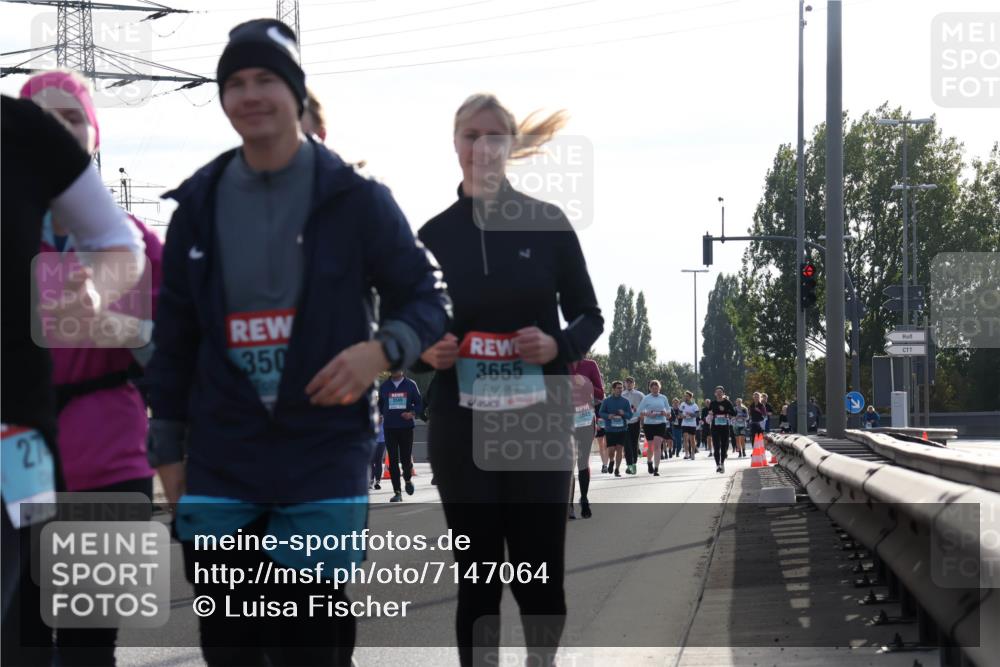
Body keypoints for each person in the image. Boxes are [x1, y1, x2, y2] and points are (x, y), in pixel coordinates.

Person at [144, 19, 449, 666]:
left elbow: (427, 296)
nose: (250, 95)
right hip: (222, 456)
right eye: (235, 83)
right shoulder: (197, 204)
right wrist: (167, 448)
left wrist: (381, 350)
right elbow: (173, 340)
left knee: (310, 637)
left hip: (322, 452)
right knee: (230, 642)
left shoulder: (356, 200)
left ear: (296, 92)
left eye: (265, 80)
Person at [416, 92, 603, 666]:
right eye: (470, 136)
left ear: (510, 147)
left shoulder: (547, 223)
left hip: (536, 421)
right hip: (461, 428)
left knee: (540, 575)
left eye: (494, 136)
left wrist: (557, 345)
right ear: (455, 145)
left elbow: (589, 314)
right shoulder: (432, 237)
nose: (482, 147)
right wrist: (430, 354)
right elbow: (407, 333)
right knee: (478, 580)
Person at [21, 70, 163, 665]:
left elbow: (176, 359)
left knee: (88, 646)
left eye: (73, 118)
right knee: (20, 639)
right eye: (42, 119)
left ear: (94, 138)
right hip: (15, 464)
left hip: (109, 459)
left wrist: (119, 327)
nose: (58, 130)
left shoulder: (134, 242)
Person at [377, 370, 423, 502]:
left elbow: (419, 404)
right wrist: (379, 414)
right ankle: (397, 492)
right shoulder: (385, 386)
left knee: (405, 459)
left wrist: (412, 413)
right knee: (392, 460)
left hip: (406, 428)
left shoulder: (410, 385)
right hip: (390, 428)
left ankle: (407, 479)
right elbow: (380, 405)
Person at [569, 358, 604, 519]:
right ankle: (568, 505)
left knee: (582, 462)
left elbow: (601, 394)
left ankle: (583, 498)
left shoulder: (590, 365)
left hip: (584, 418)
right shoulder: (560, 364)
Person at [637, 381, 670, 476]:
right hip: (649, 424)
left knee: (657, 445)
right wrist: (648, 414)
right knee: (650, 446)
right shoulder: (646, 398)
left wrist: (665, 413)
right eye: (653, 388)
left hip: (661, 423)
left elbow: (668, 411)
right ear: (650, 389)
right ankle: (649, 462)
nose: (655, 390)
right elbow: (640, 411)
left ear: (659, 388)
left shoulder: (663, 398)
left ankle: (656, 468)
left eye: (657, 388)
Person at [708, 386, 736, 473]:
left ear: (723, 393)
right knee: (716, 446)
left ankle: (722, 463)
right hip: (715, 426)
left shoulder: (727, 402)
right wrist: (710, 413)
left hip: (724, 426)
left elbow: (734, 413)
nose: (719, 394)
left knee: (724, 446)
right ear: (715, 394)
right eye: (717, 392)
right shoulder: (712, 403)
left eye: (721, 392)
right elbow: (709, 412)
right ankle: (717, 465)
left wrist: (726, 411)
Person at [621, 377, 644, 473]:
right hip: (625, 422)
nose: (629, 384)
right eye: (627, 383)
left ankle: (634, 463)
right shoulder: (621, 394)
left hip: (636, 421)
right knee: (627, 445)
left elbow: (645, 406)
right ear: (625, 384)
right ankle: (629, 465)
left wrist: (642, 419)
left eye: (631, 383)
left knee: (634, 444)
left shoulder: (640, 395)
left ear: (634, 384)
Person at [679, 391, 700, 460]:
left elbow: (697, 415)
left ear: (690, 397)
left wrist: (691, 414)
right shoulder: (682, 404)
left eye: (687, 396)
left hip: (692, 424)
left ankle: (693, 453)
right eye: (685, 396)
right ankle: (686, 454)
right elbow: (680, 412)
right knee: (685, 439)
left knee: (692, 439)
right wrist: (682, 416)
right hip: (684, 423)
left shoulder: (695, 405)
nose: (685, 397)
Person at [371, 408, 385, 490]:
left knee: (378, 460)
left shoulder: (382, 409)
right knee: (370, 461)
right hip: (370, 439)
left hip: (381, 440)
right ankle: (371, 480)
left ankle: (377, 481)